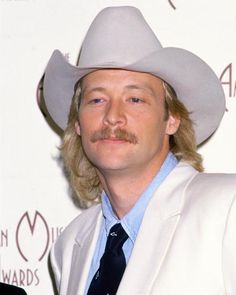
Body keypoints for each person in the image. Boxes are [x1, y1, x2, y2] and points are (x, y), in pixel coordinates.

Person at [42, 6, 236, 295]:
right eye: (96, 100)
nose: (112, 117)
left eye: (134, 99)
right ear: (78, 123)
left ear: (171, 118)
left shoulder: (227, 210)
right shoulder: (70, 246)